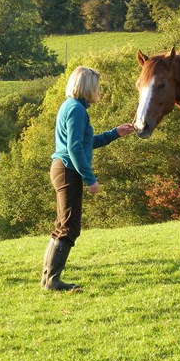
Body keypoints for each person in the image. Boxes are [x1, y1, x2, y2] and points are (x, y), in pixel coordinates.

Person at [41, 66, 134, 292]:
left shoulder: (73, 107)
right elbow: (74, 148)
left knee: (63, 225)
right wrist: (90, 178)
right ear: (87, 87)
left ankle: (48, 279)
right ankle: (52, 281)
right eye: (97, 87)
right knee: (69, 227)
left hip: (64, 169)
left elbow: (85, 142)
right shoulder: (76, 110)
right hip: (67, 170)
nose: (99, 91)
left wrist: (114, 133)